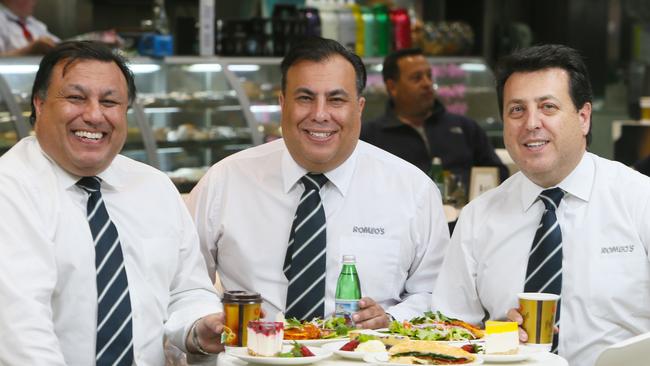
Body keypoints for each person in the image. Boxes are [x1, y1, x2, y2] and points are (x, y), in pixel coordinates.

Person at [186, 37, 449, 329]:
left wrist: (392, 319)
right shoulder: (225, 181)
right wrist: (200, 327)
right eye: (305, 98)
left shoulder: (413, 190)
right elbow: (185, 284)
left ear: (359, 107)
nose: (320, 115)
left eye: (336, 100)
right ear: (282, 103)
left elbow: (435, 293)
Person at [0, 41, 225, 365]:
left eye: (110, 102)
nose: (94, 115)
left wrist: (198, 327)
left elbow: (186, 290)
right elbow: (20, 331)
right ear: (39, 104)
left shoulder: (153, 186)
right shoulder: (11, 189)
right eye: (76, 98)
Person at [431, 44, 650, 366]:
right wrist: (492, 339)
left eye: (548, 107)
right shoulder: (479, 217)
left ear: (584, 117)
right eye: (516, 110)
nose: (531, 123)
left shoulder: (639, 199)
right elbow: (448, 330)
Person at [360, 48, 508, 190]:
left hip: (465, 212)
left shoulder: (465, 127)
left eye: (429, 76)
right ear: (392, 87)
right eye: (417, 78)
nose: (427, 83)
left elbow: (498, 174)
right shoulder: (370, 136)